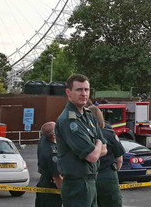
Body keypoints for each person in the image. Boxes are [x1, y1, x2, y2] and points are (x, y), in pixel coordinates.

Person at [55, 74, 107, 207]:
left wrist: (98, 145)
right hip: (76, 185)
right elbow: (93, 156)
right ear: (68, 92)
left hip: (90, 181)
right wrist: (99, 141)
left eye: (86, 90)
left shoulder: (88, 115)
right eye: (79, 90)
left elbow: (105, 150)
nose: (84, 94)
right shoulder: (69, 120)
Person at [89, 106, 124, 207]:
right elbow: (119, 159)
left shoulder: (84, 134)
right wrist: (114, 172)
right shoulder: (109, 133)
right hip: (108, 175)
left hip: (89, 176)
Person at [36, 121, 63, 207]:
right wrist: (65, 193)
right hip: (51, 188)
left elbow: (46, 130)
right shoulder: (52, 153)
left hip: (43, 183)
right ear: (54, 136)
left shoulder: (43, 139)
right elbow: (57, 177)